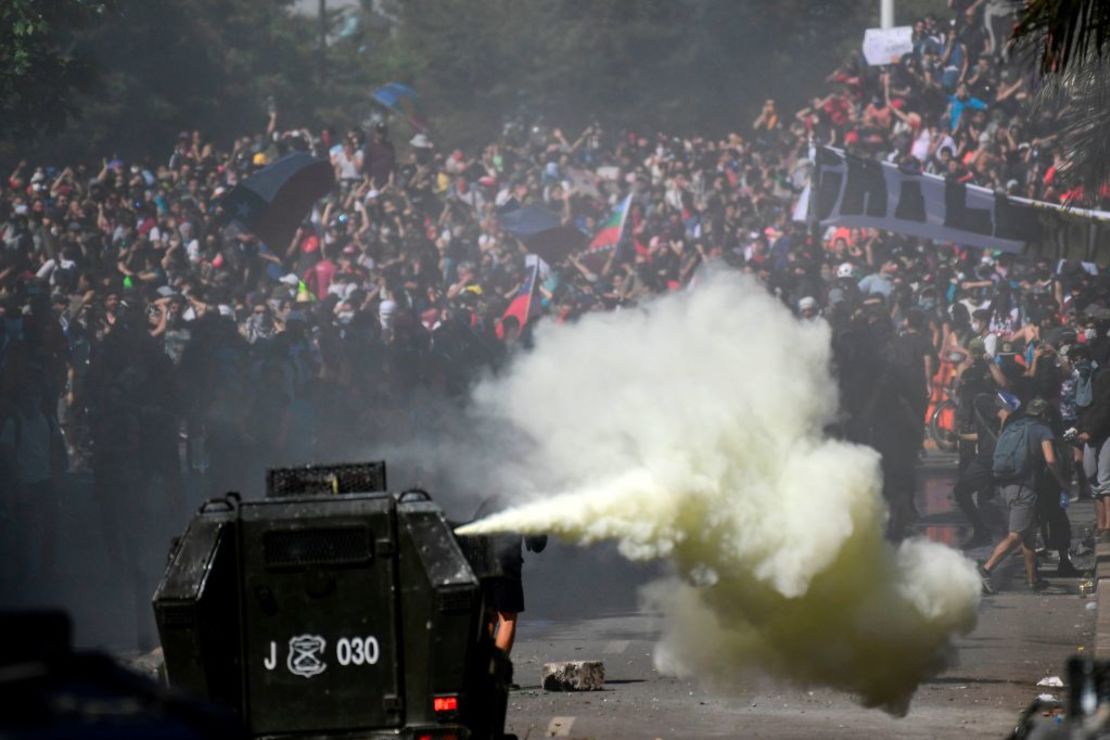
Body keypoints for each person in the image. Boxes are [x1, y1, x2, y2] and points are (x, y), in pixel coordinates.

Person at [978, 396, 1063, 593]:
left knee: (1028, 535)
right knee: (1016, 535)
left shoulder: (1013, 426)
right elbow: (1050, 460)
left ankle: (1033, 579)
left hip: (1006, 486)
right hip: (1024, 487)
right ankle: (986, 569)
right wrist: (1063, 483)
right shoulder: (1042, 428)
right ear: (1044, 414)